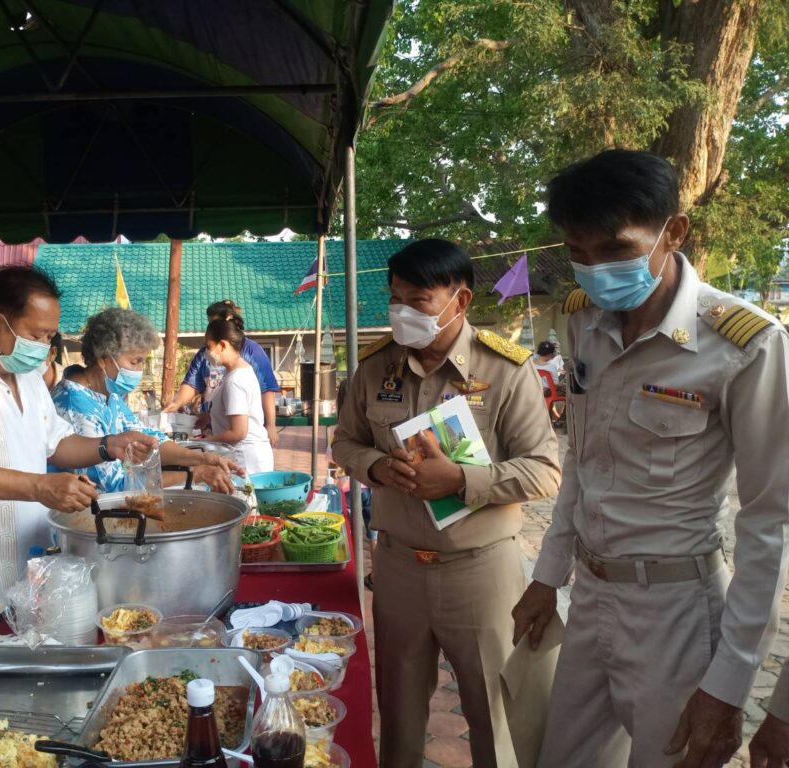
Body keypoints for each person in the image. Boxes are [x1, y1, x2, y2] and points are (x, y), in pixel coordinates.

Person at [512, 150, 789, 768]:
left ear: (674, 231)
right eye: (578, 252)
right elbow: (582, 463)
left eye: (615, 249)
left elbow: (770, 522)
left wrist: (729, 684)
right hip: (589, 597)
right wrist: (547, 576)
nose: (595, 269)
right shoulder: (584, 324)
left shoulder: (744, 345)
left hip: (677, 611)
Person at [332, 239, 561, 768]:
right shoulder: (375, 367)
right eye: (395, 299)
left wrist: (459, 479)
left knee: (495, 718)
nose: (402, 313)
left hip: (480, 572)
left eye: (418, 301)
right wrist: (376, 466)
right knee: (398, 716)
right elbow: (345, 442)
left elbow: (545, 471)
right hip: (397, 568)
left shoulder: (505, 370)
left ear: (460, 301)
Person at [0, 266, 157, 593]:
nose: (43, 347)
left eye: (50, 337)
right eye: (36, 336)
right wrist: (38, 486)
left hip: (26, 573)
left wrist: (108, 445)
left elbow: (57, 443)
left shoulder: (28, 378)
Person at [50, 308, 240, 492]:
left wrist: (202, 459)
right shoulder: (74, 404)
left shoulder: (110, 395)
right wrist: (195, 474)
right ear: (104, 359)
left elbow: (149, 440)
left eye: (143, 362)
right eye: (135, 362)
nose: (139, 370)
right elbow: (114, 485)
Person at [164, 300, 281, 447]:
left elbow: (266, 390)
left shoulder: (244, 364)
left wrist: (270, 424)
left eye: (214, 324)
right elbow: (192, 384)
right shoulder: (213, 359)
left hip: (241, 443)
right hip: (220, 433)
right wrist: (177, 403)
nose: (210, 328)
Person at [202, 313, 275, 475]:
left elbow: (238, 432)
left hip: (247, 459)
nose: (206, 352)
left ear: (222, 345)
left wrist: (205, 441)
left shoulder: (235, 380)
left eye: (208, 346)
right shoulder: (238, 371)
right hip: (250, 456)